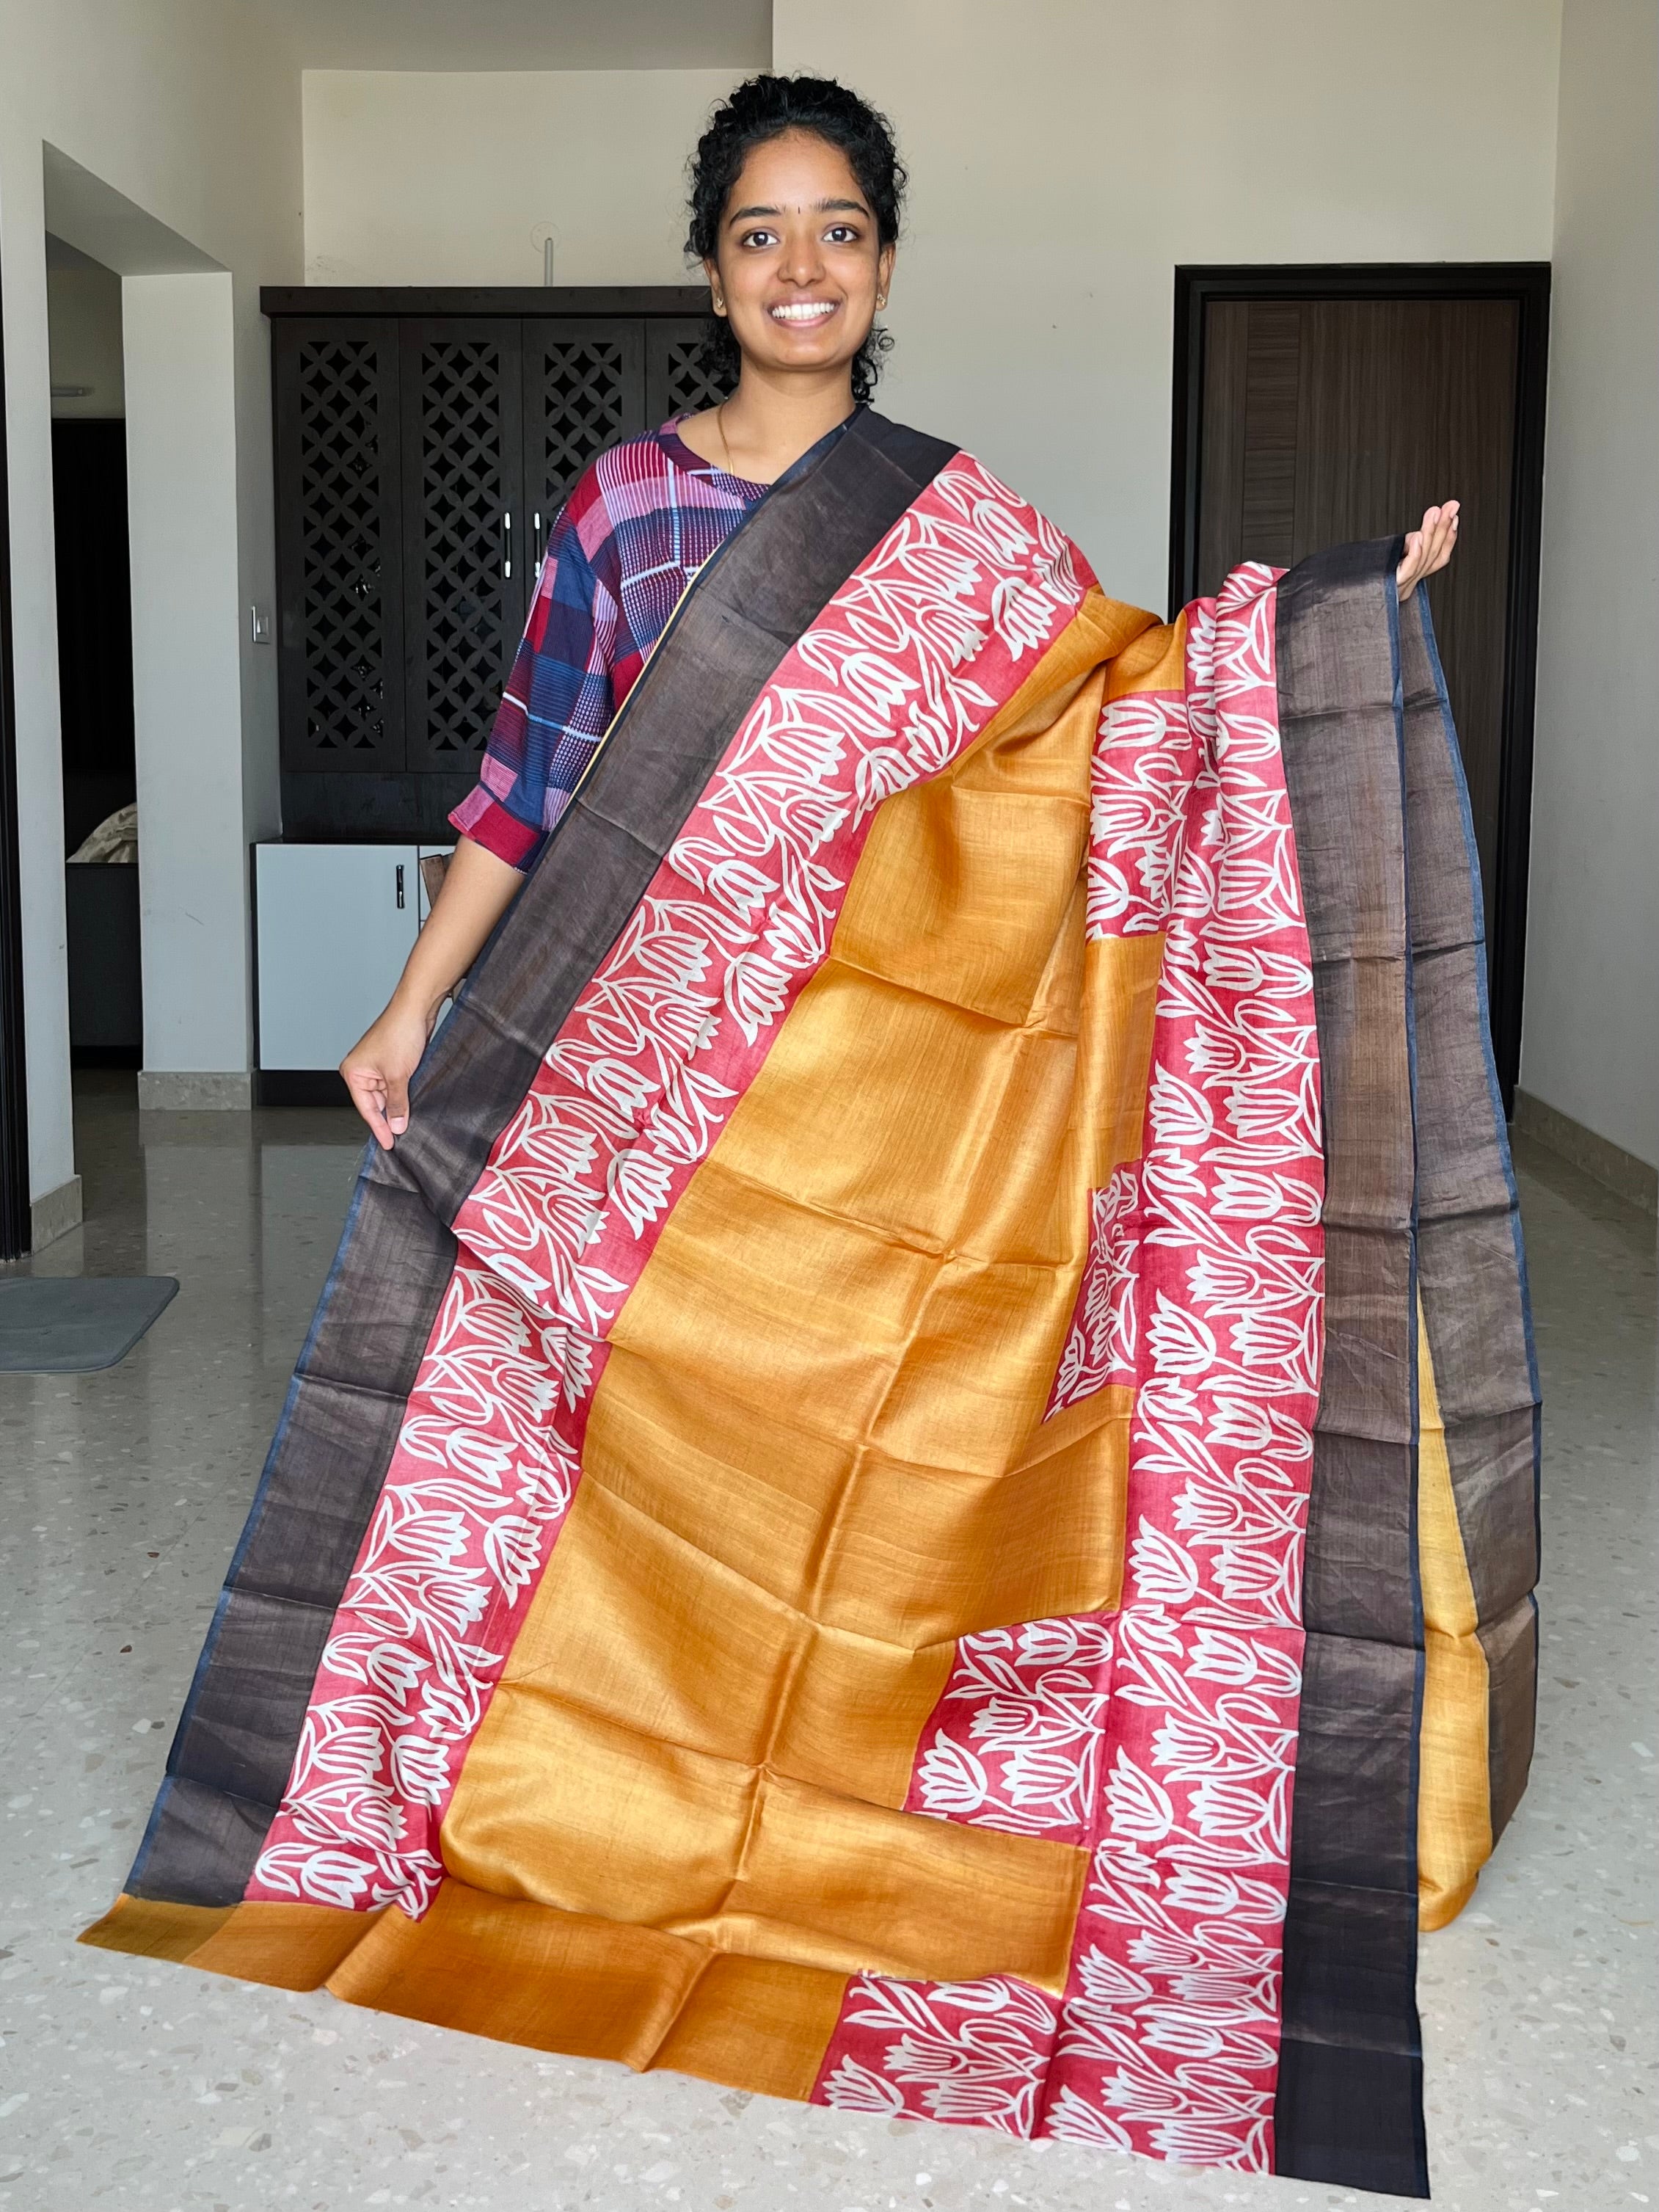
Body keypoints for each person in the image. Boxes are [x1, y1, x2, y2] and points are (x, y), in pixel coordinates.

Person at [340, 72, 1456, 1147]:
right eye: (758, 235)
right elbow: (524, 785)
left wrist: (1325, 621)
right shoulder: (626, 502)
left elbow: (1120, 705)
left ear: (882, 264)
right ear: (714, 275)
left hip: (877, 1068)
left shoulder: (957, 519)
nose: (800, 268)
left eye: (839, 229)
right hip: (647, 1035)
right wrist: (410, 1006)